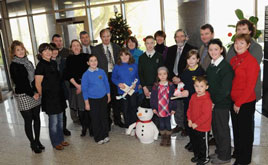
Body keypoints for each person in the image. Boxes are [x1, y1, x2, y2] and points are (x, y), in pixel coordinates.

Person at [230, 34, 260, 165]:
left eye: (242, 43)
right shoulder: (234, 60)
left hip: (245, 101)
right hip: (234, 99)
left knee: (245, 131)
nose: (238, 45)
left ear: (248, 45)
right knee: (236, 128)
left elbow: (250, 87)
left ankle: (245, 158)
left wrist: (239, 103)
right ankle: (238, 151)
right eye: (236, 43)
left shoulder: (252, 61)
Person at [10, 40, 43, 153]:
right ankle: (33, 144)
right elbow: (21, 83)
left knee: (37, 118)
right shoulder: (14, 65)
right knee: (28, 120)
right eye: (18, 50)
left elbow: (33, 79)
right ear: (14, 52)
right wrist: (32, 94)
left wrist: (37, 91)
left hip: (34, 93)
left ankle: (38, 140)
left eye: (22, 49)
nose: (20, 51)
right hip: (24, 95)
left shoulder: (28, 62)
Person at [35, 43, 69, 150]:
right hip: (50, 98)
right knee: (53, 121)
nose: (48, 52)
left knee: (60, 120)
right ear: (41, 53)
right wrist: (43, 95)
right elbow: (37, 84)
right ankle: (55, 142)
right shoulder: (40, 66)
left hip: (59, 96)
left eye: (49, 50)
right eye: (45, 50)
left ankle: (61, 140)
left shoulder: (53, 63)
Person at [206, 39, 234, 164]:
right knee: (216, 129)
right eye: (211, 49)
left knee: (222, 129)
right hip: (213, 103)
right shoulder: (212, 65)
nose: (213, 52)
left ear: (221, 50)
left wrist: (213, 102)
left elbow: (225, 90)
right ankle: (220, 151)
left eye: (216, 49)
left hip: (221, 104)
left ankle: (225, 156)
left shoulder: (225, 67)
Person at [165, 29, 196, 135]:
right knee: (176, 104)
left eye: (181, 36)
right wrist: (173, 77)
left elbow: (191, 66)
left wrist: (180, 78)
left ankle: (186, 126)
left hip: (185, 80)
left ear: (185, 37)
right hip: (173, 81)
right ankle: (179, 125)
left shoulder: (191, 49)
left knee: (186, 104)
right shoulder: (171, 49)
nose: (179, 38)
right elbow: (168, 65)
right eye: (177, 36)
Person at [92, 28, 123, 128]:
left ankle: (118, 119)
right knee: (106, 100)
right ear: (101, 37)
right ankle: (108, 121)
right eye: (104, 36)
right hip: (103, 77)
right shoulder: (96, 49)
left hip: (115, 76)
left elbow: (121, 61)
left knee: (116, 99)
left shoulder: (117, 47)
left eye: (108, 36)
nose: (106, 38)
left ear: (111, 36)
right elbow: (94, 65)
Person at [226, 19, 263, 102]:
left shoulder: (256, 47)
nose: (241, 32)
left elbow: (250, 67)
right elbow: (227, 64)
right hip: (235, 89)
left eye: (244, 29)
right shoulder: (233, 46)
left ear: (250, 31)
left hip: (249, 90)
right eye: (238, 29)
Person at [81, 55, 111, 144]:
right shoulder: (86, 75)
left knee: (104, 117)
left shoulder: (101, 72)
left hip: (103, 98)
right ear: (88, 63)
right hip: (92, 100)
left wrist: (108, 95)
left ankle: (105, 135)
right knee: (95, 118)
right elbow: (84, 90)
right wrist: (86, 103)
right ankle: (98, 137)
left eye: (95, 60)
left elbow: (106, 84)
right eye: (91, 61)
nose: (93, 62)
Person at [65, 39, 91, 137]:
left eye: (77, 45)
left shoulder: (86, 57)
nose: (76, 47)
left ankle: (91, 127)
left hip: (87, 86)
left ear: (80, 47)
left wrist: (83, 86)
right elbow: (68, 74)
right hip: (75, 87)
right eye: (73, 45)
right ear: (71, 48)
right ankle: (84, 128)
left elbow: (89, 71)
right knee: (81, 109)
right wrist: (77, 85)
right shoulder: (69, 59)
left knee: (88, 107)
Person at [180, 49, 205, 152]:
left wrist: (189, 91)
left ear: (198, 60)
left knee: (196, 123)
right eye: (189, 58)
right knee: (188, 122)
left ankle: (198, 143)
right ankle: (192, 141)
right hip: (187, 102)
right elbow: (183, 85)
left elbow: (200, 87)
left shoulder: (200, 72)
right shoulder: (185, 72)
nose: (191, 61)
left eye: (193, 58)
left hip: (197, 102)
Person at [187, 76, 212, 165]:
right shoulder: (193, 96)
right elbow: (189, 109)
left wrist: (197, 123)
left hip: (203, 127)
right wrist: (189, 119)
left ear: (206, 87)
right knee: (195, 143)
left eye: (201, 86)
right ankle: (197, 156)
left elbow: (206, 115)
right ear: (194, 86)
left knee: (202, 145)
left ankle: (205, 158)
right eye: (197, 86)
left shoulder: (207, 100)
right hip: (193, 125)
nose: (199, 89)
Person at [112, 48, 139, 129]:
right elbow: (113, 78)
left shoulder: (134, 65)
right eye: (122, 55)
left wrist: (136, 84)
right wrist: (118, 84)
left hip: (133, 91)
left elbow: (139, 77)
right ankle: (128, 125)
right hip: (122, 92)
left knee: (133, 107)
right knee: (125, 108)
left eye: (126, 54)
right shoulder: (117, 67)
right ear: (119, 57)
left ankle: (134, 125)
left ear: (129, 56)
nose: (124, 57)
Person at [52, 34, 73, 135]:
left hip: (65, 83)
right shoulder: (49, 54)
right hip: (54, 87)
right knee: (57, 110)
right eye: (56, 41)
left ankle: (64, 128)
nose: (59, 43)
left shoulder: (67, 52)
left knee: (64, 107)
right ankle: (59, 129)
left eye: (60, 40)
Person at [150, 66, 176, 146]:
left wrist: (174, 108)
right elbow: (153, 98)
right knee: (161, 124)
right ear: (158, 75)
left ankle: (168, 137)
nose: (162, 76)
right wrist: (154, 108)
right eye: (160, 74)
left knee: (167, 123)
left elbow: (174, 98)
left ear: (167, 75)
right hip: (159, 108)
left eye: (164, 74)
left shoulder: (171, 85)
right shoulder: (156, 86)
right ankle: (163, 137)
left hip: (168, 108)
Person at [138, 35, 163, 103]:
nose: (150, 45)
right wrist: (144, 87)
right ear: (145, 44)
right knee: (147, 108)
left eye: (152, 43)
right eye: (148, 43)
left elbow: (161, 73)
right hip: (146, 87)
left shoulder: (159, 56)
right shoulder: (141, 58)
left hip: (157, 86)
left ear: (154, 43)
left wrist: (157, 86)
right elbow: (140, 73)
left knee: (157, 107)